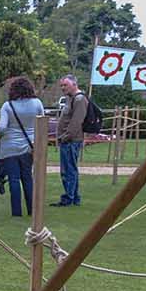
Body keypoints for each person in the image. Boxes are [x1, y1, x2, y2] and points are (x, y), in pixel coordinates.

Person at [0, 76, 45, 219]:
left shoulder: (8, 106)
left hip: (9, 146)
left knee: (13, 179)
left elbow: (2, 128)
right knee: (27, 178)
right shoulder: (37, 103)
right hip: (29, 146)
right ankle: (31, 209)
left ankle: (16, 212)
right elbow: (42, 123)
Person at [54, 75, 89, 207]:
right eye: (62, 85)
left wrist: (65, 137)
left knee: (69, 170)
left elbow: (76, 122)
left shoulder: (79, 99)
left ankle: (69, 197)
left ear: (74, 84)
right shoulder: (70, 98)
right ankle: (73, 197)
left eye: (65, 85)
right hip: (67, 140)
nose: (63, 88)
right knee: (68, 169)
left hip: (71, 140)